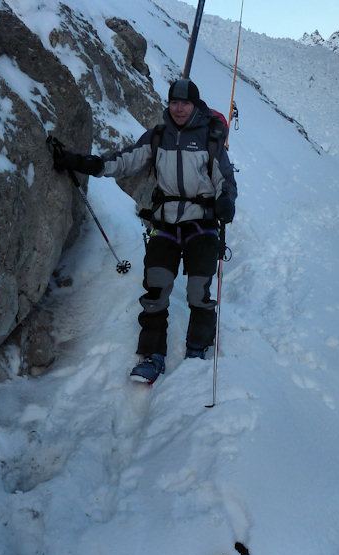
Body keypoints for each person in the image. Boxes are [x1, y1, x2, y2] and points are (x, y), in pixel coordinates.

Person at [53, 78, 237, 384]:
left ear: (195, 105)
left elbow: (225, 178)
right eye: (174, 103)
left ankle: (197, 348)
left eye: (185, 103)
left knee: (198, 292)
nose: (179, 109)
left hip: (201, 223)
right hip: (165, 223)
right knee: (156, 290)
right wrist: (83, 163)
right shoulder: (158, 137)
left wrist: (226, 200)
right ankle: (152, 355)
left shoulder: (210, 138)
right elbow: (125, 161)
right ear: (169, 104)